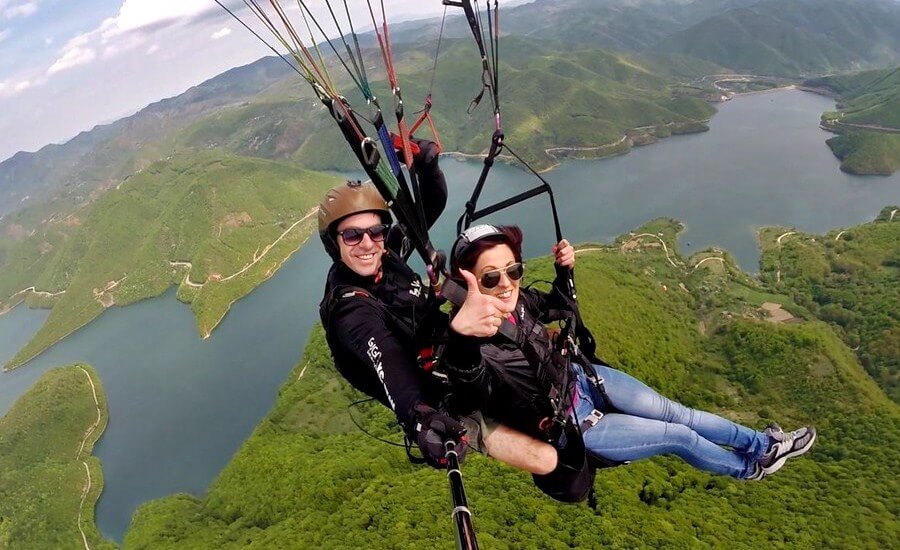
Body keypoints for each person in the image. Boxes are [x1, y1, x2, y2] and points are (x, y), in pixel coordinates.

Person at [442, 224, 817, 498]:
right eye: (490, 277)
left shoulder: (519, 305)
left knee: (678, 413)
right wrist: (461, 338)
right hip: (575, 426)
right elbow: (470, 391)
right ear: (466, 282)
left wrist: (564, 271)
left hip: (583, 379)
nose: (507, 283)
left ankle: (762, 446)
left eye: (514, 270)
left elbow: (561, 305)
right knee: (679, 435)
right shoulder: (471, 343)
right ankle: (747, 469)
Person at [317, 144, 556, 473]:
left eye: (376, 231)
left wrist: (428, 169)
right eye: (353, 235)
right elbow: (387, 358)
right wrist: (420, 417)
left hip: (455, 346)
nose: (368, 243)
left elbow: (425, 210)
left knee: (532, 346)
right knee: (545, 460)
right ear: (334, 242)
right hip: (437, 393)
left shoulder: (388, 258)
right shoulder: (351, 311)